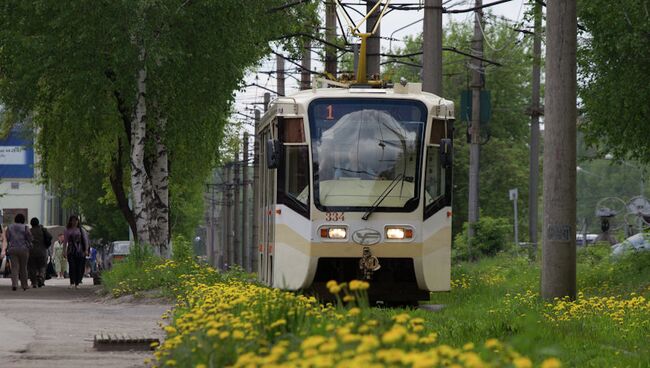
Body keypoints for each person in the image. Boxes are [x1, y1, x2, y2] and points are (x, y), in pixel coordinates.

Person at [1, 213, 33, 291]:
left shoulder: (10, 227)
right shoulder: (25, 227)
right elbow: (30, 238)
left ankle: (14, 284)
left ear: (15, 219)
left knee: (14, 268)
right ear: (23, 220)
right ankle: (24, 285)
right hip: (24, 249)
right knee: (23, 268)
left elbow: (7, 238)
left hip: (13, 249)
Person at [63, 215, 89, 289]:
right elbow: (65, 241)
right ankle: (72, 282)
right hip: (71, 250)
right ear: (70, 221)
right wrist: (64, 251)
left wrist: (86, 250)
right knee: (72, 266)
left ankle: (77, 283)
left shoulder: (81, 230)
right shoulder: (67, 230)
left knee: (79, 267)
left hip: (80, 250)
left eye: (76, 220)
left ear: (78, 221)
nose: (74, 222)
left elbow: (85, 240)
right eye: (73, 220)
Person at [28, 217, 52, 288]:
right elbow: (50, 237)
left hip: (31, 251)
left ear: (31, 224)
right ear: (38, 223)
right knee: (42, 266)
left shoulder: (29, 231)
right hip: (42, 251)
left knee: (32, 267)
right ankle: (41, 277)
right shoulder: (43, 230)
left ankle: (34, 282)